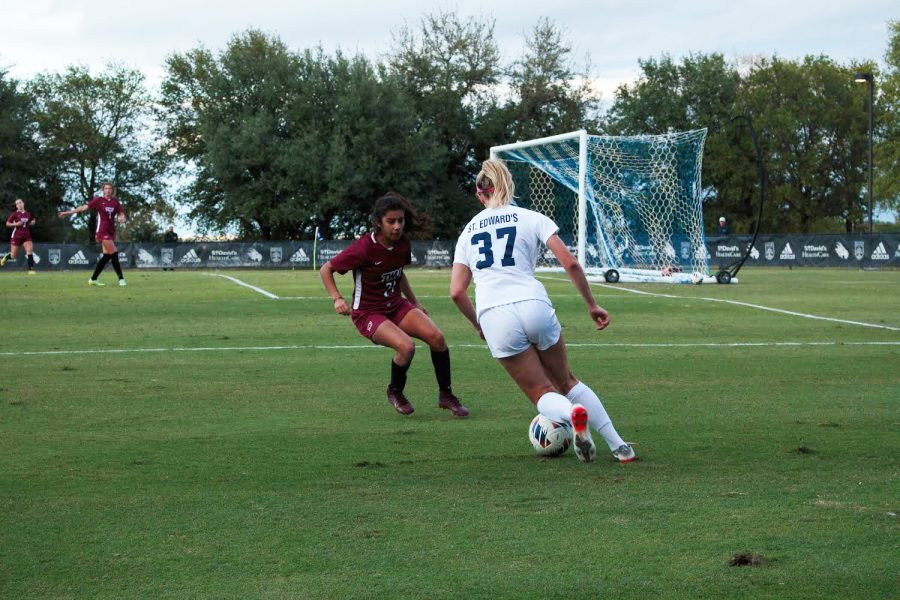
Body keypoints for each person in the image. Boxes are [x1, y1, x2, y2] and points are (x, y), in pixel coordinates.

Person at [450, 159, 635, 463]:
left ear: (479, 194)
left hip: (494, 314)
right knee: (568, 382)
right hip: (533, 303)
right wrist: (592, 305)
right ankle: (619, 446)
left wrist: (478, 325)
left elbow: (456, 291)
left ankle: (570, 413)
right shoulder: (531, 217)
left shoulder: (468, 232)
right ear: (509, 186)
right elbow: (571, 263)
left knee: (542, 392)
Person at [320, 192, 468, 417]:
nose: (397, 226)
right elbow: (326, 269)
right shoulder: (363, 248)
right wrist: (337, 298)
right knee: (406, 347)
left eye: (400, 220)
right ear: (378, 223)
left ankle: (446, 395)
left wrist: (415, 303)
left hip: (396, 305)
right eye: (391, 221)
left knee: (437, 338)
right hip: (368, 313)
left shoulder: (403, 243)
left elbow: (399, 274)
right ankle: (395, 391)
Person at [58, 182, 126, 287]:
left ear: (112, 190)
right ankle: (121, 279)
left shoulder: (115, 202)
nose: (108, 190)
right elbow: (84, 208)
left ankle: (93, 279)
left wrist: (122, 217)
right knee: (114, 253)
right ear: (103, 190)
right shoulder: (99, 200)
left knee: (107, 256)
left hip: (111, 231)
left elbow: (120, 212)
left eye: (109, 188)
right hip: (102, 231)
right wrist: (68, 212)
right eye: (106, 188)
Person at [1, 199, 37, 274]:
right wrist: (16, 224)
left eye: (20, 203)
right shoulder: (14, 214)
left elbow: (32, 220)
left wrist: (33, 222)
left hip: (27, 236)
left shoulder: (28, 213)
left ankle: (31, 270)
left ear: (23, 203)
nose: (19, 204)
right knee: (13, 256)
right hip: (16, 236)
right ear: (16, 206)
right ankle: (5, 258)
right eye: (17, 204)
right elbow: (7, 223)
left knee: (29, 252)